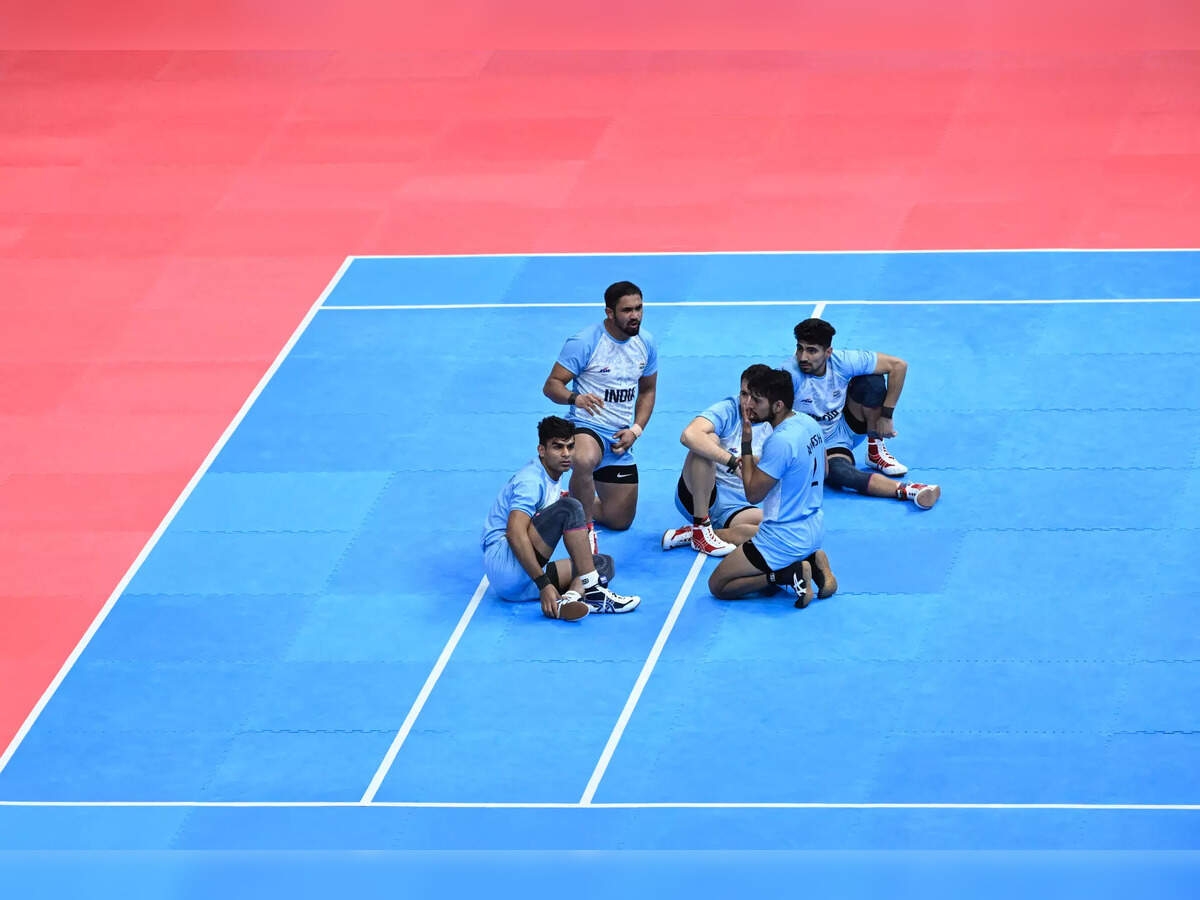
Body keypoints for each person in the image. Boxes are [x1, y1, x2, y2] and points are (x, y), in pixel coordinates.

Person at [481, 416, 641, 618]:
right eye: (557, 447)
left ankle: (569, 600)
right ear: (542, 450)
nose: (566, 454)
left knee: (602, 563)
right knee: (570, 507)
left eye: (570, 446)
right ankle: (593, 593)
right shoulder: (531, 482)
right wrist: (543, 583)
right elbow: (515, 533)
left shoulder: (552, 476)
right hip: (506, 565)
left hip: (521, 584)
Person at [542, 280, 658, 549]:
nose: (635, 316)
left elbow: (648, 390)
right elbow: (551, 386)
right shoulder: (585, 342)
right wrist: (576, 398)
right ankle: (583, 528)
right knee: (583, 459)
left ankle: (566, 500)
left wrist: (636, 431)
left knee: (620, 520)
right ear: (609, 313)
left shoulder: (646, 343)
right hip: (587, 427)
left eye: (639, 308)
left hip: (619, 437)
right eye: (627, 310)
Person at [708, 368, 838, 608]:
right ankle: (815, 560)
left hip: (782, 539)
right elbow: (824, 471)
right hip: (814, 528)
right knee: (742, 532)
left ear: (778, 406)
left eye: (757, 400)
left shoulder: (780, 441)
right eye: (748, 397)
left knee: (718, 585)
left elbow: (752, 494)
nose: (749, 405)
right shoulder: (809, 423)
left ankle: (787, 574)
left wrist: (746, 444)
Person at [784, 317, 941, 511]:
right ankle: (911, 490)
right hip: (810, 442)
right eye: (799, 348)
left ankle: (875, 450)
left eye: (812, 350)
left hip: (842, 430)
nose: (803, 357)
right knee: (840, 473)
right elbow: (773, 418)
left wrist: (886, 416)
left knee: (872, 381)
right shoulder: (789, 375)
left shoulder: (842, 361)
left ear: (828, 352)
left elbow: (898, 366)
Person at [661, 363, 776, 557]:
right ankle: (700, 525)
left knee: (774, 530)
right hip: (700, 494)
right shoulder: (729, 409)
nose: (747, 403)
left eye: (755, 398)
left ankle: (694, 535)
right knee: (707, 439)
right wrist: (732, 462)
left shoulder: (776, 424)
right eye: (744, 394)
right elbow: (689, 435)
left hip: (737, 506)